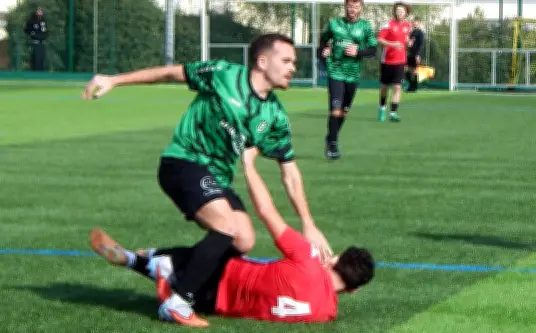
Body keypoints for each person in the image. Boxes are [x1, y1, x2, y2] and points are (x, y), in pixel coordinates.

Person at [82, 33, 333, 324]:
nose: (293, 67)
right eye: (286, 60)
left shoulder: (274, 116)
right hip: (183, 161)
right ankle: (179, 301)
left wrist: (308, 223)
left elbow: (289, 171)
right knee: (226, 226)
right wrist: (114, 80)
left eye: (294, 62)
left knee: (243, 240)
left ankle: (153, 262)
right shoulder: (222, 74)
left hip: (217, 177)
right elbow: (168, 73)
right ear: (262, 62)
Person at [88, 147, 374, 327]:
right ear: (352, 290)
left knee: (230, 238)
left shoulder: (309, 259)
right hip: (215, 305)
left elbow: (266, 211)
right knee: (214, 258)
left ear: (333, 260)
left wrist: (249, 163)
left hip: (221, 274)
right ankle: (144, 262)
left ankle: (149, 263)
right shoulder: (326, 313)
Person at [319, 0, 379, 160]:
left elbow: (373, 49)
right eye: (350, 6)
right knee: (335, 110)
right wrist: (323, 52)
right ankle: (333, 145)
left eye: (356, 6)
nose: (352, 9)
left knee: (344, 111)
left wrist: (358, 51)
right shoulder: (334, 24)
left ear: (361, 8)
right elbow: (323, 41)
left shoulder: (365, 26)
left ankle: (331, 136)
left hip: (352, 74)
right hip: (335, 71)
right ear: (345, 6)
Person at [377, 2, 412, 123]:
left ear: (406, 12)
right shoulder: (389, 24)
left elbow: (405, 39)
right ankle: (382, 108)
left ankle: (393, 113)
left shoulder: (408, 25)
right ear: (395, 12)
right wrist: (392, 44)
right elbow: (379, 39)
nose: (399, 13)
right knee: (384, 87)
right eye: (397, 10)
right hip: (387, 60)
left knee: (397, 87)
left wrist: (408, 43)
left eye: (402, 11)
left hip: (400, 61)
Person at [24, 7, 48, 71]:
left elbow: (46, 31)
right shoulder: (31, 20)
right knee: (35, 58)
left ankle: (41, 72)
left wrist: (44, 36)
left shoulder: (44, 21)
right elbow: (27, 30)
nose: (40, 13)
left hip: (42, 43)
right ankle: (34, 71)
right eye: (38, 11)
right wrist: (32, 34)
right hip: (34, 43)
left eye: (41, 11)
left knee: (41, 58)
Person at [406, 17, 425, 93]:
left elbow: (421, 44)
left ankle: (414, 87)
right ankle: (411, 85)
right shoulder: (411, 32)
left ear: (418, 23)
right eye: (413, 22)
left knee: (415, 71)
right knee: (405, 68)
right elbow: (409, 43)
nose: (414, 23)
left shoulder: (420, 32)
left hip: (416, 54)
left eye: (415, 22)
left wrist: (418, 55)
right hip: (409, 54)